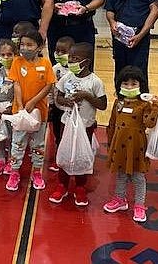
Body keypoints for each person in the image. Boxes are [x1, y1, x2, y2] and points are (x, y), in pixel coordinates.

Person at [50, 42, 107, 206]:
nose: (71, 61)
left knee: (82, 155)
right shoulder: (67, 77)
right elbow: (58, 97)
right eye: (71, 57)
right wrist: (65, 101)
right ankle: (62, 184)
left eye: (76, 58)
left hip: (86, 126)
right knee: (65, 153)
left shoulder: (95, 82)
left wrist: (87, 96)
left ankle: (81, 186)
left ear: (86, 62)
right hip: (66, 123)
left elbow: (102, 105)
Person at [103, 65, 158, 223]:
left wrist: (155, 106)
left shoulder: (144, 105)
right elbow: (112, 124)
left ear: (141, 85)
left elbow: (149, 123)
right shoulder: (118, 103)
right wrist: (110, 143)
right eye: (125, 84)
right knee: (121, 174)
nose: (129, 87)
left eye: (133, 84)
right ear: (119, 85)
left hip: (136, 146)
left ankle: (139, 204)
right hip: (119, 145)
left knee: (138, 177)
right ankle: (120, 199)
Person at [5, 30, 56, 191]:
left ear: (39, 47)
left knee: (38, 144)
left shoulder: (46, 64)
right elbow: (16, 83)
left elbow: (49, 85)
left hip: (39, 113)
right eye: (22, 45)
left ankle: (37, 172)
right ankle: (14, 172)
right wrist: (20, 104)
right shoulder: (17, 62)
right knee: (17, 143)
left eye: (30, 45)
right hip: (20, 112)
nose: (25, 48)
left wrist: (34, 101)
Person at [0, 39, 17, 176]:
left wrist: (12, 106)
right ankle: (1, 160)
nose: (6, 57)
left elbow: (19, 91)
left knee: (12, 137)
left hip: (12, 111)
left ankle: (11, 161)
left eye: (9, 54)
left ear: (15, 55)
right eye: (3, 55)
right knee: (0, 136)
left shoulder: (17, 72)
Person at [48, 36, 75, 172]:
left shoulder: (75, 70)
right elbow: (51, 89)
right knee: (58, 134)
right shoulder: (54, 69)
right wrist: (51, 104)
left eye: (63, 52)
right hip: (58, 108)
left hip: (72, 110)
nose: (59, 54)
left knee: (70, 134)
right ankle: (59, 157)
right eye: (57, 51)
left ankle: (72, 157)